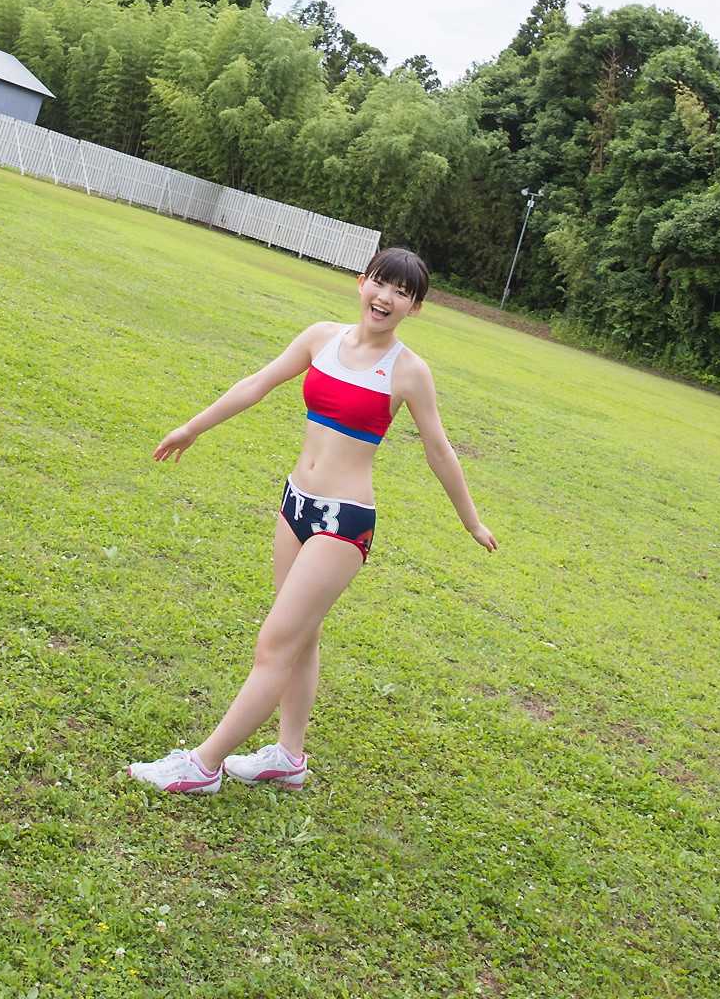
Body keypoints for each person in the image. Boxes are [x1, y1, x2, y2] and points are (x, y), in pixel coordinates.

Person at [126, 246, 498, 794]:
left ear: (414, 308)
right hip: (295, 504)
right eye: (380, 283)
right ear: (361, 282)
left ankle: (202, 766)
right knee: (302, 636)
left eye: (402, 293)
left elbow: (439, 450)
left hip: (343, 521)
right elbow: (256, 383)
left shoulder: (409, 371)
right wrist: (192, 427)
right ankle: (288, 756)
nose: (386, 298)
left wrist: (471, 521)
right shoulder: (320, 337)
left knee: (275, 645)